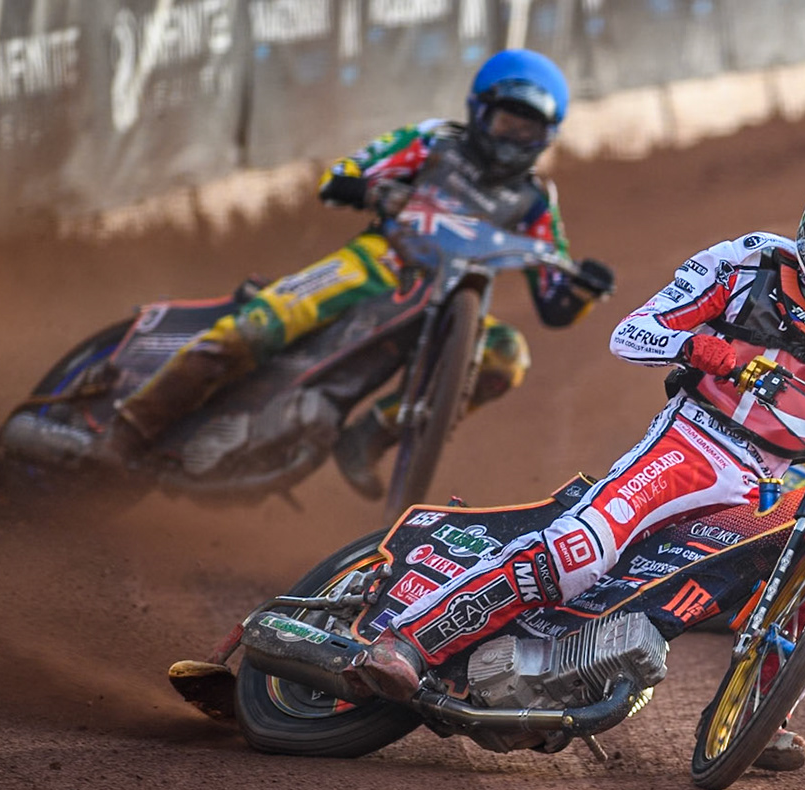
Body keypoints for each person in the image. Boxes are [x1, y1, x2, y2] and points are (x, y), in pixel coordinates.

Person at [348, 154, 805, 772]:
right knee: (582, 549)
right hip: (694, 442)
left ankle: (760, 710)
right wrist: (723, 356)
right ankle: (411, 641)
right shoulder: (744, 266)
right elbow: (634, 334)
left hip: (774, 485)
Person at [102, 49, 615, 498]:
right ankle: (125, 431)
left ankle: (373, 432)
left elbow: (554, 303)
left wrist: (584, 288)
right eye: (508, 123)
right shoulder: (435, 142)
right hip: (379, 263)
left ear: (547, 137)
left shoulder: (535, 201)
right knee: (255, 328)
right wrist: (374, 191)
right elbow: (340, 177)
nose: (514, 139)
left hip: (452, 305)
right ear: (480, 111)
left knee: (507, 356)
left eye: (529, 130)